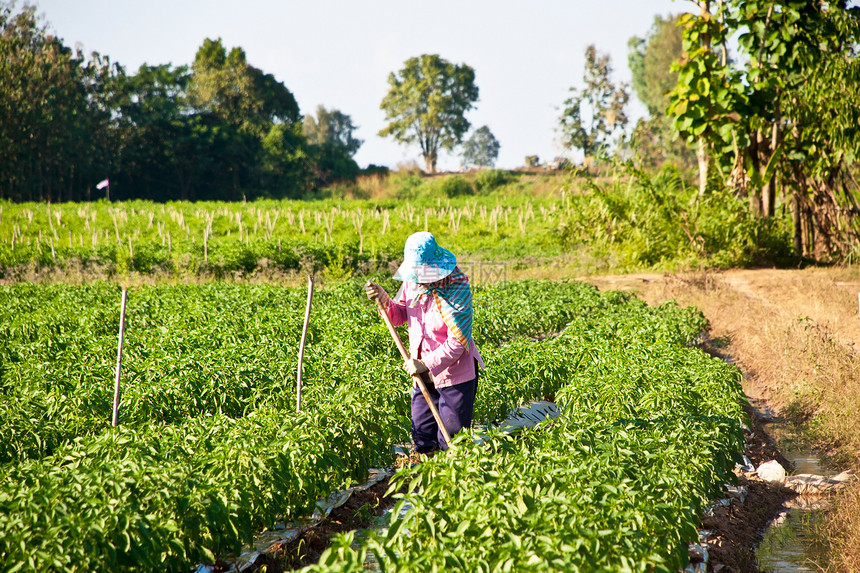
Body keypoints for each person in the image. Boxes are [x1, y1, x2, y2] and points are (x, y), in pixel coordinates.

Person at [365, 231, 483, 453]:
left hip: (454, 376)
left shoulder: (457, 288)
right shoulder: (412, 283)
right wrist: (383, 298)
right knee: (422, 436)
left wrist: (425, 363)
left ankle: (451, 483)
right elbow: (399, 315)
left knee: (452, 441)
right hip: (421, 374)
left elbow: (458, 342)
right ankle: (428, 481)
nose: (417, 279)